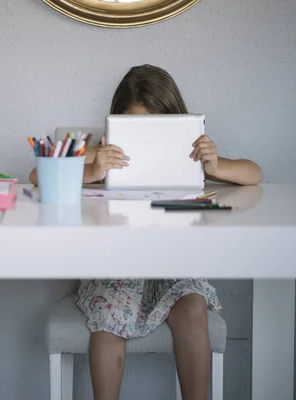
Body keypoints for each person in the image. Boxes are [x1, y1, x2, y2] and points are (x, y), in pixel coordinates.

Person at [30, 64, 263, 400]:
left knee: (192, 307)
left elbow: (254, 173)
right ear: (115, 123)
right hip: (117, 266)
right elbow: (39, 176)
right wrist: (94, 169)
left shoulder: (191, 154)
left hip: (174, 264)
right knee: (109, 317)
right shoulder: (100, 153)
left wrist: (216, 166)